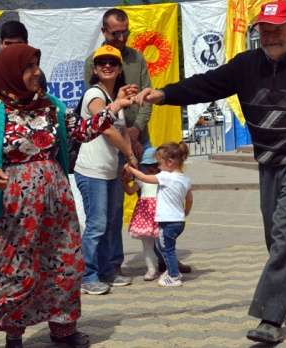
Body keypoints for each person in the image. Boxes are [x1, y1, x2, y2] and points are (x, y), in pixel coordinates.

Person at [135, 1, 286, 343]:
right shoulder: (246, 64)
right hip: (271, 162)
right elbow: (207, 84)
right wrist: (162, 94)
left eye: (278, 29)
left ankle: (269, 318)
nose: (270, 36)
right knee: (277, 239)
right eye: (264, 30)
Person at [0, 44, 135, 348]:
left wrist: (115, 106)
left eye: (37, 65)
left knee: (63, 263)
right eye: (28, 66)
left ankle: (63, 330)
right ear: (11, 71)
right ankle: (14, 335)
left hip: (57, 203)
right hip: (12, 209)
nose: (36, 72)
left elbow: (81, 130)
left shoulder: (50, 104)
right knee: (16, 268)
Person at [83, 9, 186, 277]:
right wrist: (125, 137)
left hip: (141, 135)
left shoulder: (137, 56)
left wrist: (136, 130)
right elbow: (99, 105)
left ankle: (167, 256)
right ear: (104, 32)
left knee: (161, 195)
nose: (121, 37)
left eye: (125, 32)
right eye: (115, 32)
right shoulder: (93, 61)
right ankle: (114, 262)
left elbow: (146, 97)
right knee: (116, 204)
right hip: (113, 139)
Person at [76, 45, 136, 295]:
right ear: (96, 69)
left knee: (110, 224)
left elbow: (122, 130)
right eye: (102, 63)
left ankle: (106, 271)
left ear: (120, 68)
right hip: (92, 171)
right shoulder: (94, 94)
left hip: (110, 171)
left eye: (113, 62)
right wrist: (130, 155)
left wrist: (127, 161)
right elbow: (107, 128)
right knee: (97, 225)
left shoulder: (114, 99)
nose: (107, 66)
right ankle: (86, 275)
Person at [124, 142, 193, 287]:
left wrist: (129, 168)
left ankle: (173, 276)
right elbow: (189, 199)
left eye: (160, 164)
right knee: (167, 247)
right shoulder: (185, 178)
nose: (159, 168)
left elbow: (142, 178)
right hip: (178, 221)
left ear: (170, 162)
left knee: (166, 249)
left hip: (167, 221)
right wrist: (185, 212)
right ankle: (173, 271)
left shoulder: (166, 177)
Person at [122, 147, 161, 281]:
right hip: (145, 216)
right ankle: (151, 268)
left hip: (161, 214)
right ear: (145, 166)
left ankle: (169, 266)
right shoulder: (142, 179)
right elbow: (131, 191)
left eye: (156, 165)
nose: (154, 169)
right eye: (150, 166)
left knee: (162, 244)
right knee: (147, 245)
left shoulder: (164, 178)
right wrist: (125, 182)